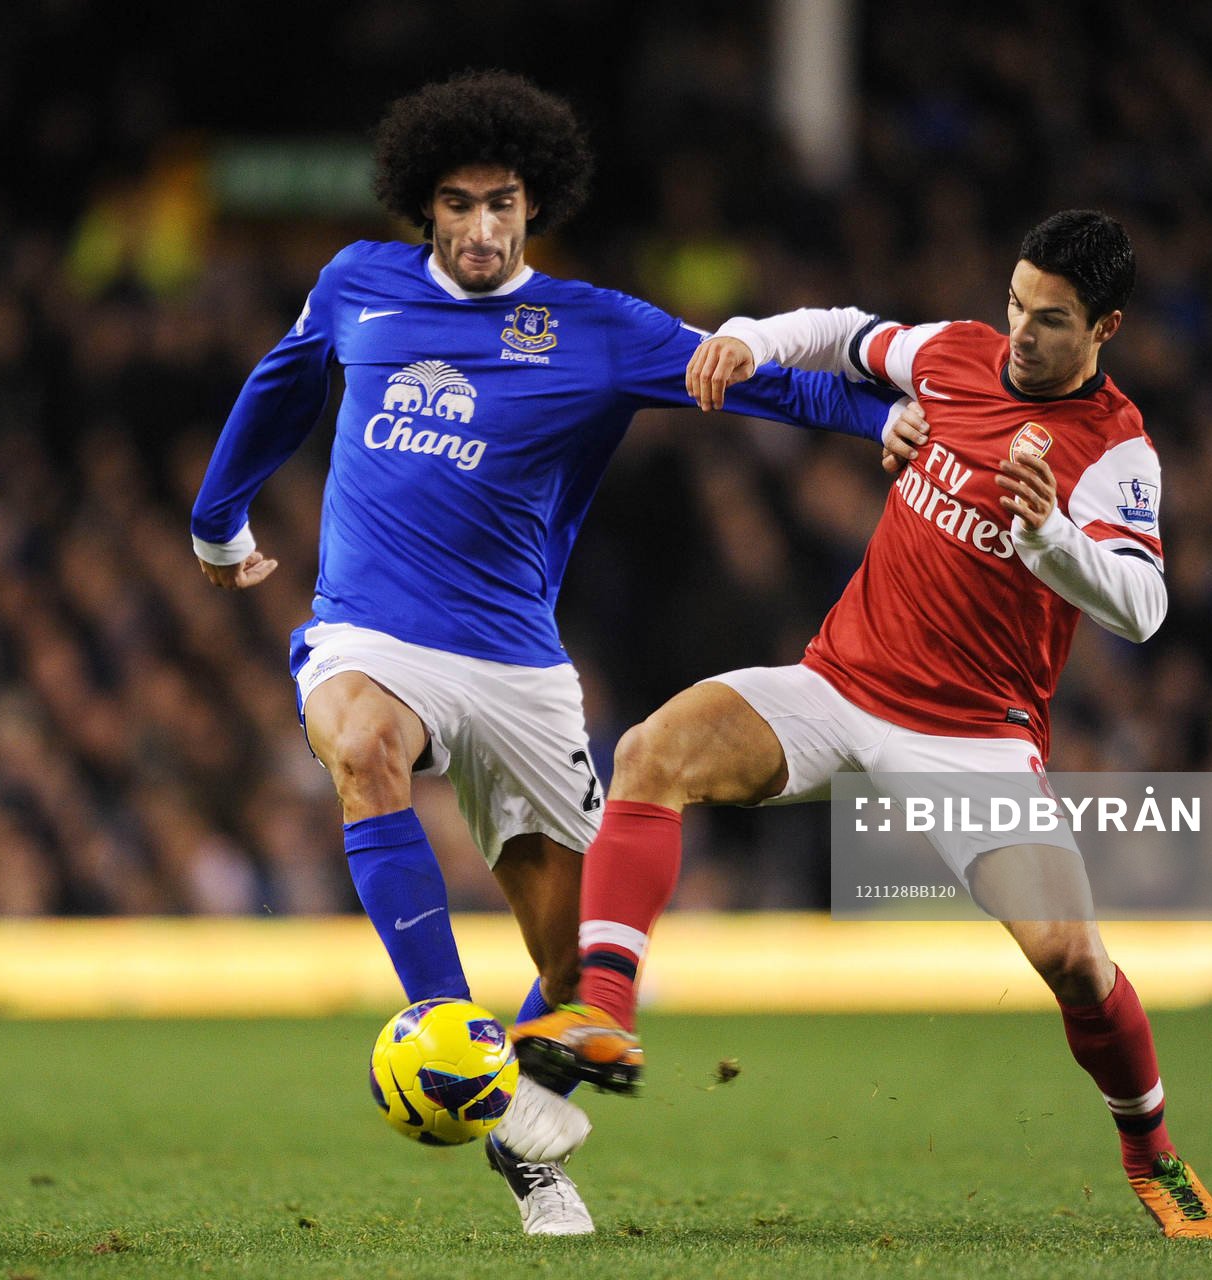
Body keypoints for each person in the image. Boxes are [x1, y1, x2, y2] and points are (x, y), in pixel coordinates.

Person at [189, 71, 921, 1237]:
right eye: (458, 203)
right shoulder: (357, 286)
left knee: (582, 966)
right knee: (362, 741)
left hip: (516, 665)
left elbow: (754, 378)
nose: (481, 227)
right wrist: (217, 517)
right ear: (421, 208)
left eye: (504, 204)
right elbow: (282, 385)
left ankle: (526, 1148)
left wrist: (878, 417)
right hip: (369, 630)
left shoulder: (598, 328)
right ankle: (444, 1023)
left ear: (535, 209)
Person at [508, 211, 1212, 1240]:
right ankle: (606, 1015)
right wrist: (749, 336)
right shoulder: (954, 354)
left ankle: (1150, 1150)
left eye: (1051, 319)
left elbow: (1141, 606)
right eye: (1016, 303)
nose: (1020, 332)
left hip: (971, 739)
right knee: (648, 752)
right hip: (838, 684)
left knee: (1072, 957)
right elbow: (841, 331)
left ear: (1104, 326)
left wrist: (1050, 534)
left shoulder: (1116, 453)